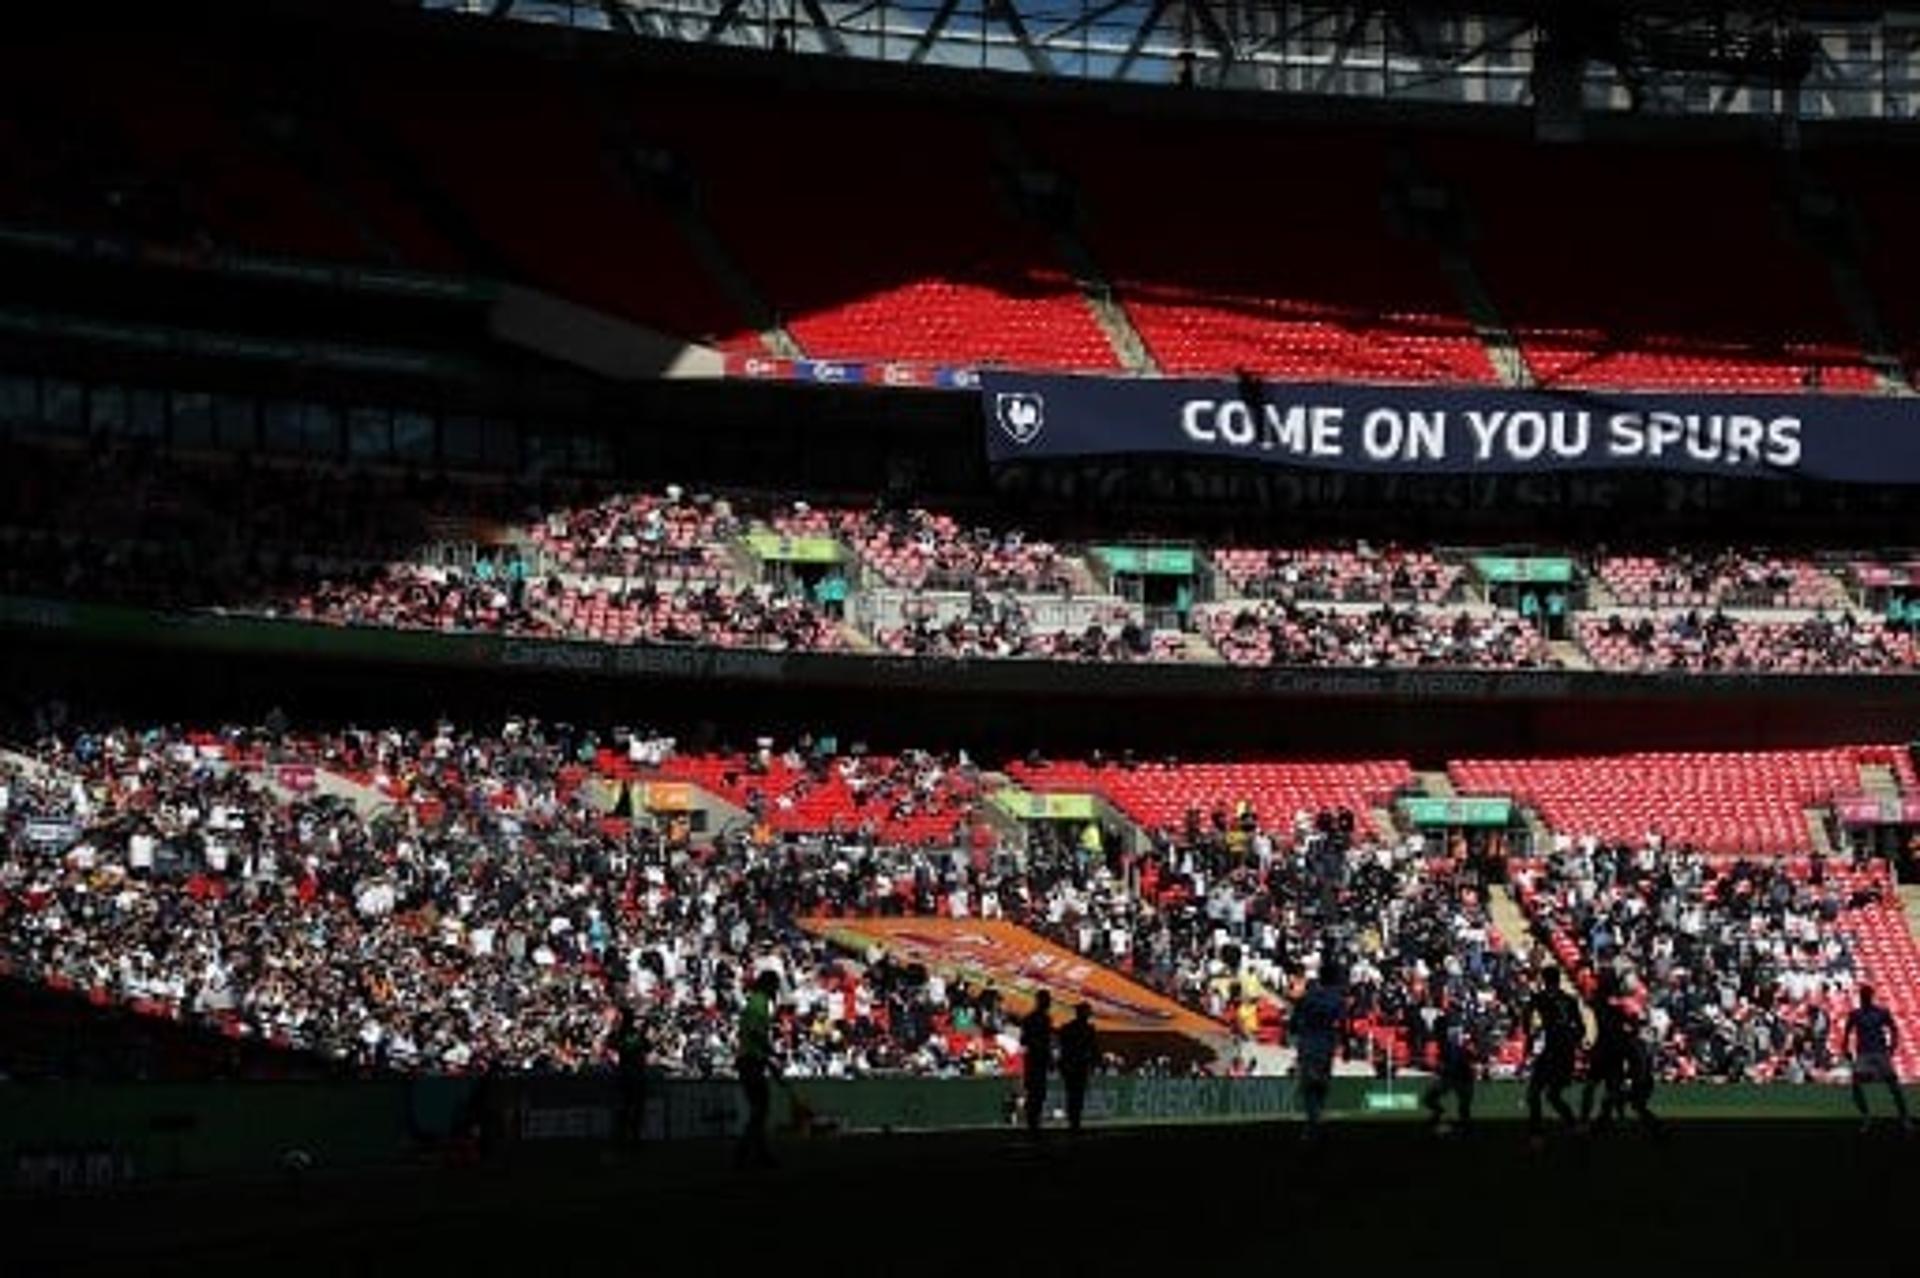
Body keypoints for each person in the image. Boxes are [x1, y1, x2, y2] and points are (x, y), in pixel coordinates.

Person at [1523, 967, 1583, 1143]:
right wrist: (1573, 1041)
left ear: (1545, 980)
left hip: (1552, 1050)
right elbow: (1581, 1028)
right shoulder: (1570, 1000)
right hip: (1566, 1052)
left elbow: (1526, 1014)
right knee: (1553, 1095)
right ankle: (1574, 1125)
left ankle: (1536, 1135)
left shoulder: (1540, 998)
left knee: (1534, 1093)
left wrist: (1529, 1034)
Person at [1843, 984, 1912, 1133]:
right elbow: (1847, 1031)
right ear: (1860, 997)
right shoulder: (1855, 1014)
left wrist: (1892, 1046)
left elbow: (1894, 1028)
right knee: (1856, 1083)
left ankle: (1904, 1117)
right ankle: (1867, 1116)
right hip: (1864, 1054)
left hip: (1880, 1053)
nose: (1864, 998)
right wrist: (1845, 1048)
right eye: (1862, 995)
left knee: (1893, 1085)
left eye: (1866, 995)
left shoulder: (1881, 1012)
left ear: (1870, 996)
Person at [1289, 964, 1347, 1140]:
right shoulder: (1337, 999)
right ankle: (1317, 1118)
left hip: (1308, 1045)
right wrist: (1346, 1046)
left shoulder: (1307, 998)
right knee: (1321, 1083)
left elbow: (1293, 1025)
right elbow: (1343, 1024)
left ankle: (1312, 1122)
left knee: (1309, 1086)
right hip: (1326, 1046)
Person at [734, 969, 780, 1169]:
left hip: (751, 1059)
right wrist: (771, 1054)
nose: (777, 989)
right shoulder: (759, 1003)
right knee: (760, 1109)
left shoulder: (757, 1001)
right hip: (751, 1060)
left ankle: (755, 1152)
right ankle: (747, 1151)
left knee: (759, 1109)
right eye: (775, 985)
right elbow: (754, 1033)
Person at [1422, 998, 1475, 1135]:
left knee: (1463, 1103)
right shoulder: (1454, 1023)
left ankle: (1461, 1125)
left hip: (1459, 1069)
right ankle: (1444, 1117)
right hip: (1456, 1069)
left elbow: (1461, 1046)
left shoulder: (1450, 1023)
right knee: (1431, 1098)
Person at [1057, 1002, 1099, 1134]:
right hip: (1077, 1065)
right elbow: (1093, 1048)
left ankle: (1074, 1121)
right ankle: (1074, 1122)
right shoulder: (1084, 1029)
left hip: (1075, 1065)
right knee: (1076, 1094)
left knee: (1074, 1094)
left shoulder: (1070, 1028)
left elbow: (1093, 1048)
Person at [1019, 989, 1055, 1139]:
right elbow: (1026, 1041)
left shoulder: (1033, 1018)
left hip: (1035, 1060)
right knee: (1036, 1094)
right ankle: (1033, 1125)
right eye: (1047, 1000)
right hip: (1036, 1060)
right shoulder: (1042, 1019)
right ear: (1042, 1001)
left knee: (1036, 1094)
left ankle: (1033, 1125)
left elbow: (1024, 1040)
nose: (1049, 1003)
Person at [614, 1006, 650, 1147]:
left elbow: (646, 1046)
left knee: (628, 1109)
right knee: (632, 1110)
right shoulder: (632, 1034)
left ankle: (628, 1139)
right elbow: (646, 1047)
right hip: (633, 1076)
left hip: (630, 1076)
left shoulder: (624, 1033)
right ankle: (631, 1139)